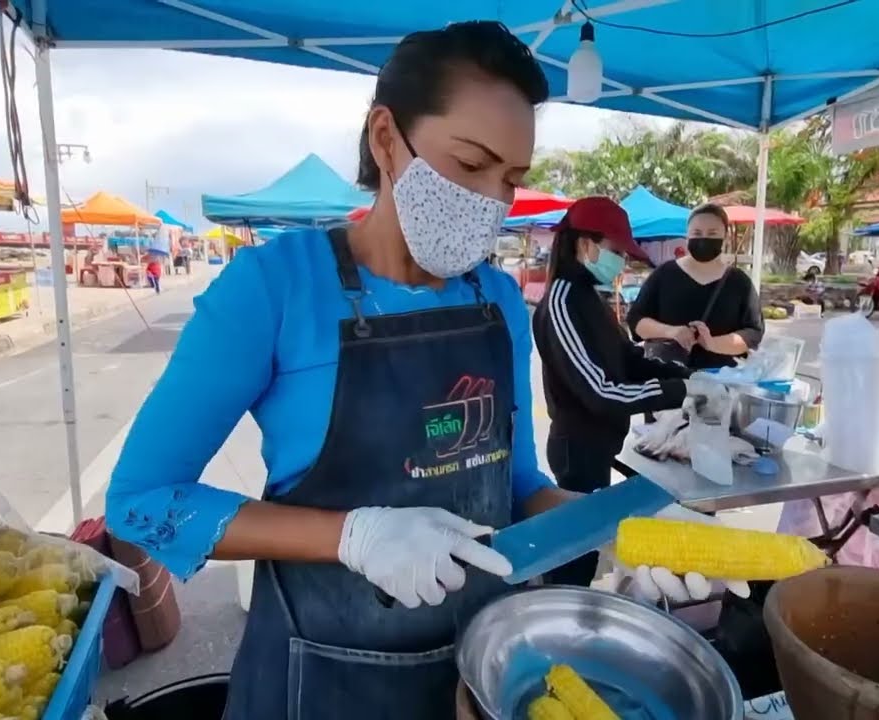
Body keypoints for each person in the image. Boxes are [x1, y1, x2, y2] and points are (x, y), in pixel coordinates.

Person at [104, 23, 739, 719]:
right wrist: (351, 536)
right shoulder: (274, 287)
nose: (491, 200)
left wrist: (623, 524)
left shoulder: (495, 298)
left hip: (478, 673)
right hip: (319, 681)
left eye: (511, 180)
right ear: (387, 140)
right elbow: (143, 502)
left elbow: (518, 487)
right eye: (471, 166)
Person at [532, 196, 725, 588]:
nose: (620, 261)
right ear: (584, 244)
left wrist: (682, 375)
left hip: (600, 445)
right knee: (573, 560)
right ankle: (561, 621)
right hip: (577, 450)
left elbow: (626, 358)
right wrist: (676, 391)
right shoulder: (561, 302)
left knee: (587, 550)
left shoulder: (590, 298)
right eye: (616, 251)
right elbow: (601, 391)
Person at [627, 203, 765, 370]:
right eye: (697, 233)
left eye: (712, 233)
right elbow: (636, 320)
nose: (704, 238)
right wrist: (672, 332)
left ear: (725, 237)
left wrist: (713, 344)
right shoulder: (664, 274)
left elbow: (753, 333)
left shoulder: (739, 282)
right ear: (687, 236)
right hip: (668, 379)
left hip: (722, 382)